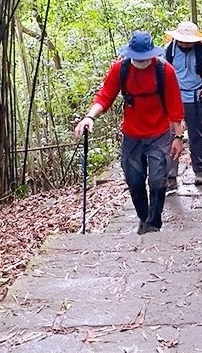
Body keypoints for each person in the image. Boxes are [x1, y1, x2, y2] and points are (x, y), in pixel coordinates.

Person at [73, 30, 184, 235]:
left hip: (159, 134)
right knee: (134, 180)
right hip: (132, 135)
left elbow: (175, 107)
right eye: (136, 58)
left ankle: (153, 225)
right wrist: (90, 117)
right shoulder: (120, 69)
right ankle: (144, 218)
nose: (140, 62)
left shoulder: (164, 71)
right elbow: (105, 96)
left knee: (158, 181)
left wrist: (178, 137)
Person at [164, 20, 202, 186]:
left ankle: (200, 171)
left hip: (194, 98)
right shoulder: (169, 50)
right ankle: (171, 175)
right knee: (172, 136)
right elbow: (161, 71)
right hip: (173, 98)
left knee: (196, 136)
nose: (186, 43)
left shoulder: (201, 50)